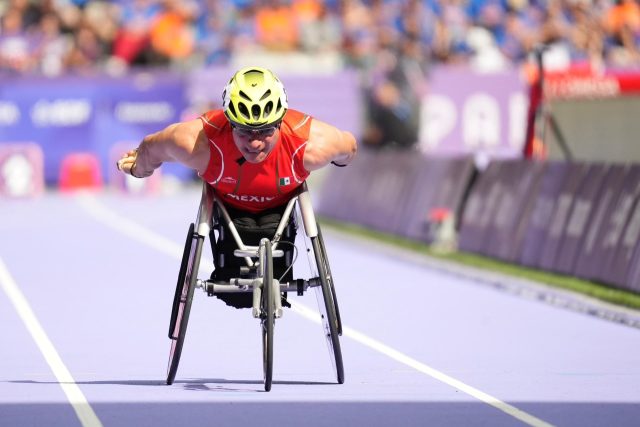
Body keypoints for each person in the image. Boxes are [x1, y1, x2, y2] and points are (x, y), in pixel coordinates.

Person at [117, 66, 357, 307]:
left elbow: (349, 146)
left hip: (281, 210)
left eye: (264, 131)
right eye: (244, 131)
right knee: (237, 294)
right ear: (230, 123)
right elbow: (151, 148)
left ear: (280, 122)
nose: (254, 143)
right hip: (227, 212)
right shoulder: (197, 143)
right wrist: (139, 169)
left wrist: (340, 158)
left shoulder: (312, 144)